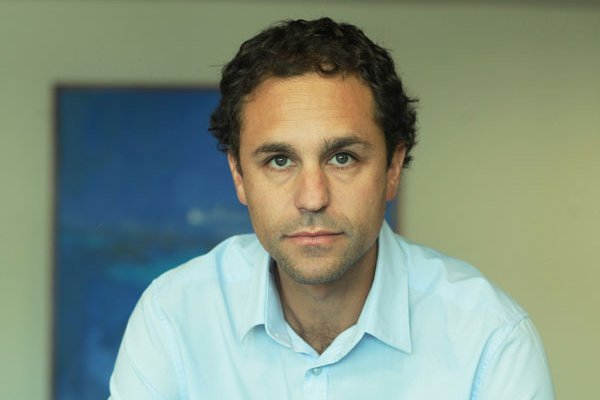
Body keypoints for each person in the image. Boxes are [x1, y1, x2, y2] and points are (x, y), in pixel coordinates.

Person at [109, 18, 554, 399]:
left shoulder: (490, 340)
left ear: (393, 168)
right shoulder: (173, 316)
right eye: (279, 161)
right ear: (239, 176)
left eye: (342, 158)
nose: (312, 197)